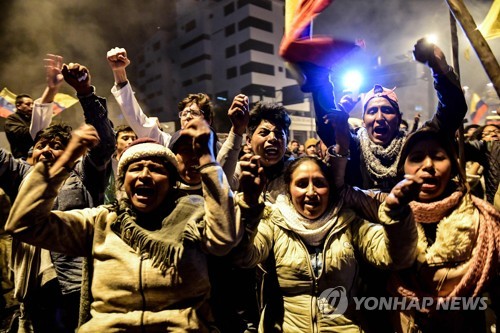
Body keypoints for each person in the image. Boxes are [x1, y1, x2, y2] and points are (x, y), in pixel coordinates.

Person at [5, 115, 241, 331]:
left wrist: (208, 159)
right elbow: (24, 225)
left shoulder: (195, 215)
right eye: (135, 168)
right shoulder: (102, 222)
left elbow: (224, 239)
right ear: (122, 182)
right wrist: (65, 161)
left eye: (156, 169)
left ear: (170, 183)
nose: (144, 175)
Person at [232, 153, 419, 331]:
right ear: (288, 189)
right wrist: (250, 205)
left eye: (319, 183)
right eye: (302, 184)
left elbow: (395, 257)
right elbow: (244, 257)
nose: (311, 192)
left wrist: (397, 215)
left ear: (330, 189)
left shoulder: (349, 223)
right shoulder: (274, 222)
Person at [0, 55, 115, 333]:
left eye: (56, 146)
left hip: (76, 283)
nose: (47, 150)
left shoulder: (83, 175)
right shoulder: (23, 176)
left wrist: (86, 93)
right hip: (35, 285)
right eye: (41, 145)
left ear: (71, 154)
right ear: (31, 154)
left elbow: (104, 144)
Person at [305, 38, 467, 192]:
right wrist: (321, 80)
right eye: (372, 111)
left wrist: (441, 71)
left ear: (398, 119)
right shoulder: (352, 146)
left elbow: (452, 112)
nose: (380, 117)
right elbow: (328, 125)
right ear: (364, 120)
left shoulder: (414, 146)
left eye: (387, 110)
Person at [384, 127, 500, 332]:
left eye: (438, 157)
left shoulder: (483, 222)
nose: (428, 165)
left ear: (454, 167)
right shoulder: (385, 221)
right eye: (417, 158)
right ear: (403, 168)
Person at [104, 125, 138, 204]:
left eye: (133, 138)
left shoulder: (138, 163)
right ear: (116, 143)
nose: (130, 141)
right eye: (125, 138)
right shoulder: (107, 163)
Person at [4, 94, 34, 159]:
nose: (32, 106)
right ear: (18, 106)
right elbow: (22, 135)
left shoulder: (31, 119)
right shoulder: (12, 119)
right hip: (23, 158)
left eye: (32, 104)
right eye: (28, 104)